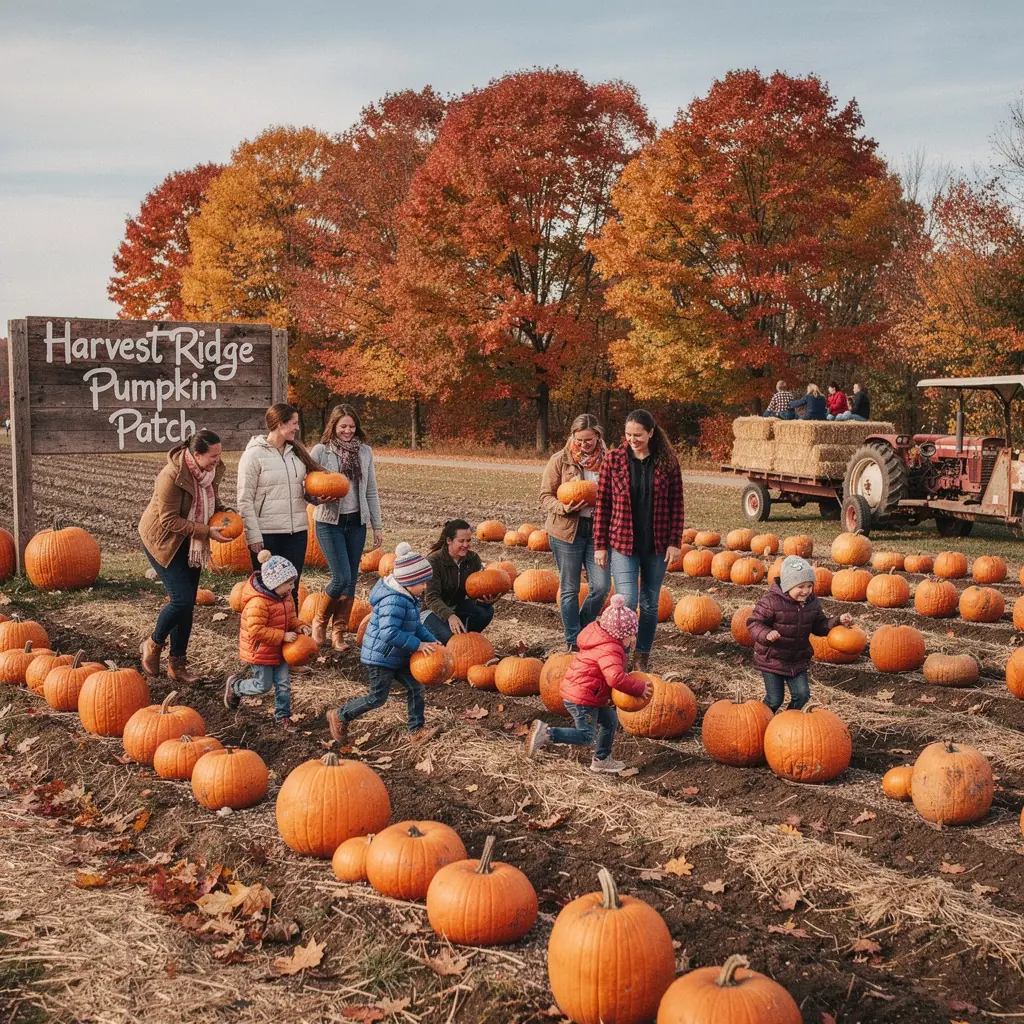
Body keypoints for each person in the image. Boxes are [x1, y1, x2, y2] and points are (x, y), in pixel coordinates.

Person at [593, 410, 684, 673]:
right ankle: (618, 653)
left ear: (651, 433)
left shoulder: (667, 461)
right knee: (627, 600)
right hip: (623, 543)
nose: (632, 439)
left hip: (657, 545)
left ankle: (642, 653)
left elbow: (676, 504)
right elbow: (603, 504)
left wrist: (674, 541)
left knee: (649, 603)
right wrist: (600, 544)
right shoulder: (614, 460)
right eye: (628, 434)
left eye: (638, 435)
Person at [326, 542, 442, 743]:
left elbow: (416, 626)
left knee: (416, 688)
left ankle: (416, 731)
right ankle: (340, 715)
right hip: (382, 657)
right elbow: (389, 633)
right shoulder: (394, 601)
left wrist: (432, 641)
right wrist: (418, 645)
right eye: (422, 583)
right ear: (408, 581)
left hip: (398, 654)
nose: (424, 588)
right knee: (377, 698)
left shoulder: (409, 598)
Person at [138, 429, 229, 684]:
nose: (217, 460)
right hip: (163, 540)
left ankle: (177, 664)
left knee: (187, 604)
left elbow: (213, 503)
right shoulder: (171, 476)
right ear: (196, 454)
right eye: (213, 456)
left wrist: (227, 514)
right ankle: (153, 644)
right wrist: (205, 531)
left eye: (219, 455)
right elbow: (168, 520)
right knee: (181, 601)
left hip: (190, 542)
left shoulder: (209, 472)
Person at [525, 594, 651, 773]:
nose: (632, 640)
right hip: (583, 699)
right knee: (586, 736)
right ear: (620, 635)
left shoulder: (602, 641)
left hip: (589, 694)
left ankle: (601, 759)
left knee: (610, 721)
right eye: (631, 636)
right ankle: (546, 734)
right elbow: (615, 677)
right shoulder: (610, 650)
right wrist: (638, 688)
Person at [309, 405, 383, 650]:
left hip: (356, 523)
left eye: (352, 426)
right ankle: (319, 621)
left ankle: (339, 633)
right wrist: (318, 499)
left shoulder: (365, 452)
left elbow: (370, 490)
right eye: (343, 426)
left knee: (351, 582)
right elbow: (307, 487)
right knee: (340, 578)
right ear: (334, 426)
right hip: (329, 522)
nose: (348, 431)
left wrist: (377, 525)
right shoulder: (321, 451)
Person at [540, 413, 611, 652]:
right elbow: (545, 496)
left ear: (598, 436)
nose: (583, 445)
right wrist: (564, 507)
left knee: (601, 587)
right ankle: (573, 641)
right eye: (579, 440)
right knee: (569, 588)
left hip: (597, 531)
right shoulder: (560, 460)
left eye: (588, 440)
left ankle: (581, 627)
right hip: (566, 530)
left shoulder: (610, 460)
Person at [746, 556, 853, 712]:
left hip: (797, 659)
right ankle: (763, 721)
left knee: (802, 696)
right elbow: (754, 623)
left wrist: (836, 621)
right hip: (773, 659)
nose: (806, 591)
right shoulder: (771, 602)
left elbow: (819, 625)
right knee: (775, 699)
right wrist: (766, 634)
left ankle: (788, 723)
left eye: (809, 586)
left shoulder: (812, 602)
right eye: (800, 586)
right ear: (788, 585)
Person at [223, 550, 312, 729]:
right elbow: (255, 630)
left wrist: (300, 626)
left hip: (281, 649)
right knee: (262, 686)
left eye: (292, 582)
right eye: (289, 583)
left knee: (283, 684)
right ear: (275, 583)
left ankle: (283, 716)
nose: (292, 587)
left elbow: (291, 619)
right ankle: (236, 687)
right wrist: (282, 636)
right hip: (261, 651)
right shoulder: (258, 603)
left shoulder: (286, 598)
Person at [237, 402, 321, 586]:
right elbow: (244, 500)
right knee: (267, 591)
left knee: (292, 588)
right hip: (268, 534)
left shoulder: (296, 453)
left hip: (297, 533)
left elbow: (303, 489)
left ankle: (293, 616)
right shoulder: (253, 455)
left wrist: (317, 498)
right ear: (280, 424)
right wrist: (254, 536)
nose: (297, 428)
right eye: (294, 423)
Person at [421, 520, 497, 643]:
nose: (466, 545)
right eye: (461, 541)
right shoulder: (434, 561)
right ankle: (448, 641)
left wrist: (484, 600)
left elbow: (474, 589)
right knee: (451, 638)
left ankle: (466, 642)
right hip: (430, 611)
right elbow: (431, 598)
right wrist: (449, 616)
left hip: (456, 606)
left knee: (485, 611)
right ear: (449, 541)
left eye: (468, 540)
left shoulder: (473, 559)